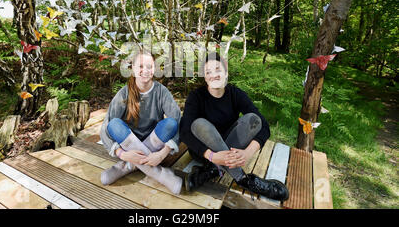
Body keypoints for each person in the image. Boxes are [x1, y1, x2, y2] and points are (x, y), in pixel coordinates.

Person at [180, 52, 289, 201]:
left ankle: (211, 170)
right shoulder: (196, 96)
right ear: (205, 78)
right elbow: (185, 131)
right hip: (203, 152)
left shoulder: (235, 94)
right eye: (208, 72)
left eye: (218, 69)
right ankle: (244, 179)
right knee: (199, 124)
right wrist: (212, 156)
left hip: (230, 147)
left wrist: (248, 153)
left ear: (226, 73)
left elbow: (263, 125)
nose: (214, 75)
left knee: (253, 119)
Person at [99, 49, 183, 194]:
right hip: (129, 146)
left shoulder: (161, 91)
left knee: (171, 124)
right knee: (114, 124)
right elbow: (105, 127)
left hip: (155, 145)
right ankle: (160, 174)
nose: (145, 70)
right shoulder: (124, 93)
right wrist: (122, 154)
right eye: (141, 66)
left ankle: (127, 166)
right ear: (133, 69)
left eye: (149, 67)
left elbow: (179, 121)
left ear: (155, 69)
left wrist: (162, 154)